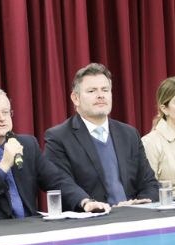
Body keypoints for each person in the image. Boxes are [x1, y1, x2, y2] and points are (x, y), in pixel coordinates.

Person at [0, 86, 109, 224]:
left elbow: (56, 180)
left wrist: (84, 201)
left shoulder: (27, 144)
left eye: (6, 112)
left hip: (27, 230)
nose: (2, 118)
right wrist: (3, 166)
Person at [45, 63, 159, 206]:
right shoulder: (59, 137)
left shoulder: (129, 134)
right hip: (90, 221)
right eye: (92, 91)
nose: (100, 95)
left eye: (105, 90)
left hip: (132, 217)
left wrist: (142, 203)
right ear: (75, 98)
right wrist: (86, 203)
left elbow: (149, 182)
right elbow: (60, 183)